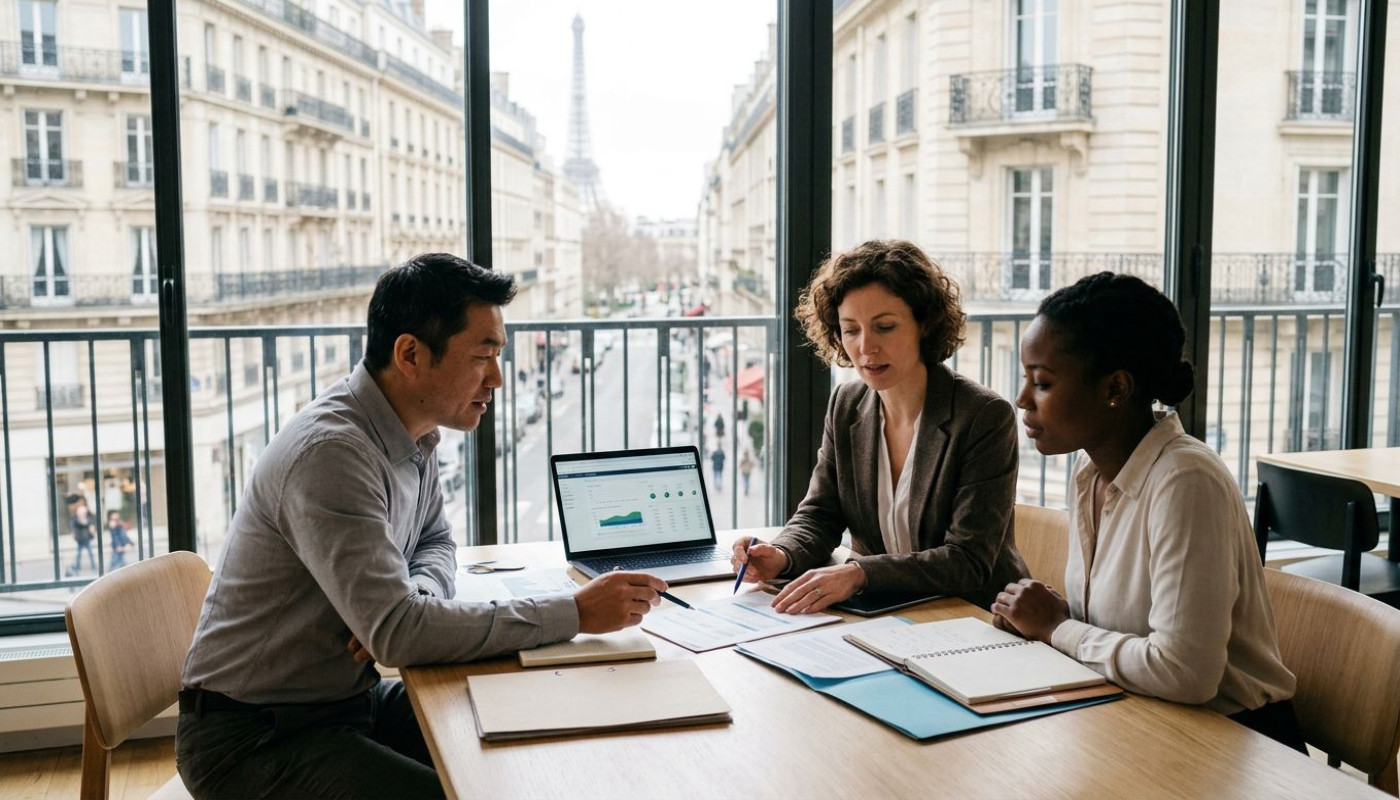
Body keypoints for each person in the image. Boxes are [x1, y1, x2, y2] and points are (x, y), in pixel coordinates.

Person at [176, 254, 667, 799]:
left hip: (341, 704)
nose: (497, 378)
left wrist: (415, 597)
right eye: (483, 356)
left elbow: (435, 543)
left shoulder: (410, 430)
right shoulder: (333, 452)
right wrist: (574, 612)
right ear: (410, 354)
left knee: (523, 743)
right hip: (255, 737)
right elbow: (399, 636)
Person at [991, 272, 1303, 751]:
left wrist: (1056, 627)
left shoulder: (1185, 481)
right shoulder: (1089, 470)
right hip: (1138, 716)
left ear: (1115, 387)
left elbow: (1185, 674)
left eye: (1043, 382)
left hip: (1235, 743)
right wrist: (1045, 615)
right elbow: (1123, 627)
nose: (1022, 399)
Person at [733, 240, 1028, 612]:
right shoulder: (847, 404)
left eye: (884, 327)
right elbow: (820, 514)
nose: (866, 347)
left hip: (973, 616)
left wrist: (859, 573)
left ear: (924, 324)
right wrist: (781, 553)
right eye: (850, 330)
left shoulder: (983, 415)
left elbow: (967, 560)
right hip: (885, 614)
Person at [66, 502, 97, 576]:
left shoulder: (88, 519)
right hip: (80, 539)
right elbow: (75, 525)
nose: (83, 514)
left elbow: (90, 525)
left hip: (86, 538)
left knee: (90, 553)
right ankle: (77, 566)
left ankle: (93, 566)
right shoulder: (76, 520)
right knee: (78, 554)